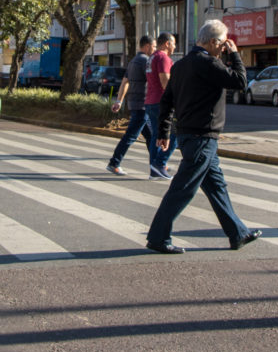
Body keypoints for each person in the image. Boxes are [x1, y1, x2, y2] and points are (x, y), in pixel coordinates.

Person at [145, 19, 261, 254]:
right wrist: (235, 56)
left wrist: (164, 131)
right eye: (222, 44)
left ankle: (237, 233)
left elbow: (167, 101)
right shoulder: (208, 63)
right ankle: (158, 237)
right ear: (213, 42)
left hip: (190, 135)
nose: (223, 49)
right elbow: (240, 81)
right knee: (183, 188)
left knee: (217, 186)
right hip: (202, 137)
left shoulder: (181, 65)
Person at [106, 36, 156, 176]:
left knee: (150, 137)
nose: (155, 49)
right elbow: (154, 81)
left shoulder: (133, 61)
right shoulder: (145, 61)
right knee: (130, 136)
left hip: (135, 103)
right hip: (142, 104)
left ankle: (157, 164)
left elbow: (124, 82)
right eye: (154, 46)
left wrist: (119, 101)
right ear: (146, 46)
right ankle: (114, 163)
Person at [144, 32, 177, 179]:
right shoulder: (163, 57)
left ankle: (154, 169)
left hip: (151, 100)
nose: (175, 46)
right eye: (174, 43)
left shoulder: (152, 57)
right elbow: (166, 83)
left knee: (155, 136)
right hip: (161, 102)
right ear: (167, 43)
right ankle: (160, 163)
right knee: (175, 134)